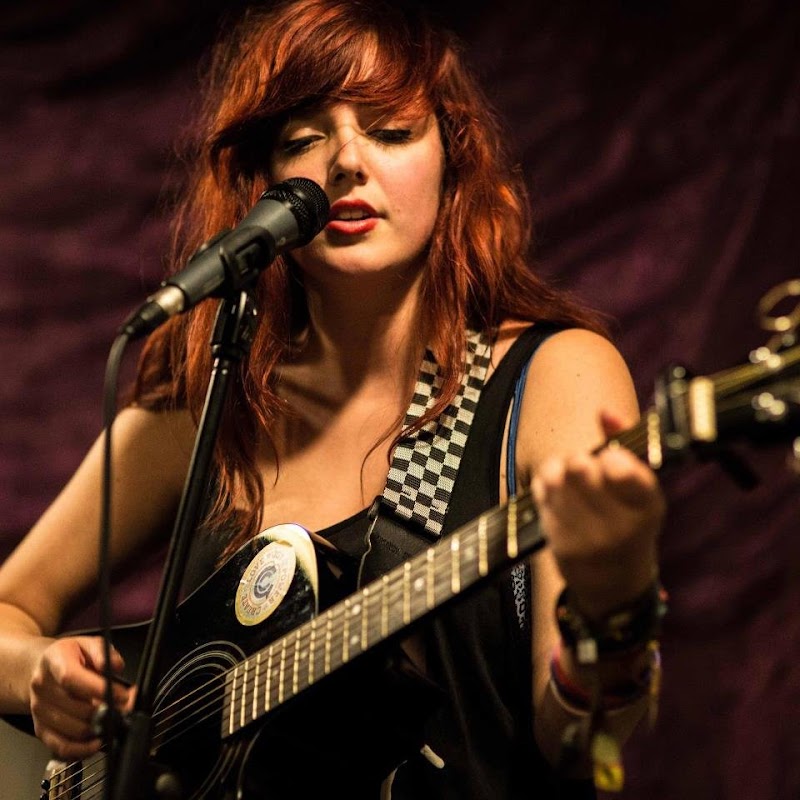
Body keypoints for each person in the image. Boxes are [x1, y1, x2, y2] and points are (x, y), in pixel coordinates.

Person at [0, 1, 665, 797]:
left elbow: (585, 743)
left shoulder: (552, 376)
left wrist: (615, 601)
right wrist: (40, 671)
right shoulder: (212, 397)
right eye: (304, 139)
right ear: (261, 184)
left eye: (391, 131)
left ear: (451, 161)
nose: (347, 161)